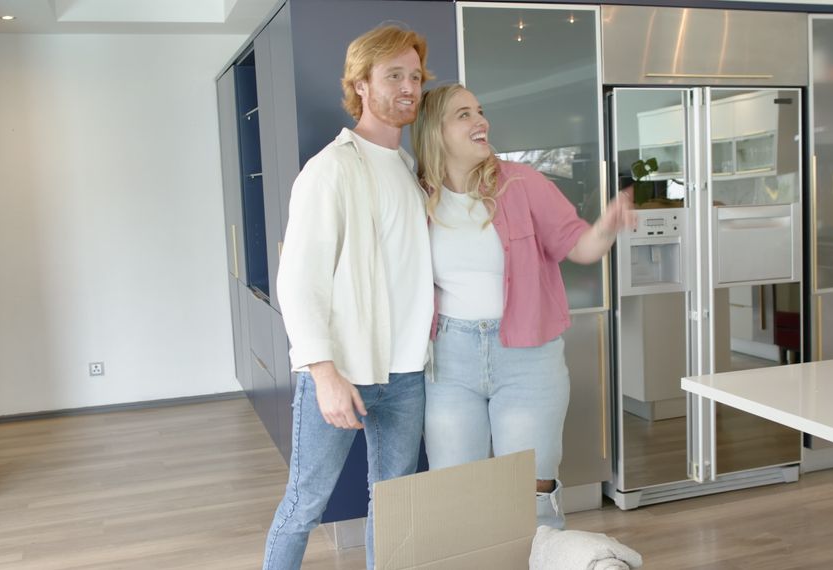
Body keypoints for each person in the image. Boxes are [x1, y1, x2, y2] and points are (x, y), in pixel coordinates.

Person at [411, 83, 635, 529]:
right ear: (435, 131)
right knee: (458, 491)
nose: (481, 121)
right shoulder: (417, 195)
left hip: (528, 357)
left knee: (532, 488)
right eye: (464, 115)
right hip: (450, 360)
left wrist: (607, 227)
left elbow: (579, 246)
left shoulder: (523, 182)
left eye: (480, 110)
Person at [262, 25, 434, 570]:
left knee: (393, 503)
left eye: (415, 76)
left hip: (407, 375)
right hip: (342, 371)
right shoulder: (330, 169)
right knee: (305, 502)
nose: (409, 87)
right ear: (360, 84)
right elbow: (298, 279)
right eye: (393, 76)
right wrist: (323, 371)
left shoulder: (409, 170)